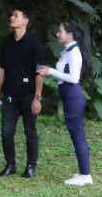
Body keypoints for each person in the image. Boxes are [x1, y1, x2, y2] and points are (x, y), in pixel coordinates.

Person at [37, 21, 94, 186]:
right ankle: (84, 172)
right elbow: (63, 74)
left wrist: (52, 71)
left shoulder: (74, 53)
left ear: (70, 34)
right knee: (76, 134)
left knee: (78, 135)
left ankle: (85, 175)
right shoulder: (67, 51)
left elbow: (74, 78)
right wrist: (48, 72)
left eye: (60, 31)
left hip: (73, 97)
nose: (57, 34)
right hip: (69, 97)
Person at [0, 9, 45, 178]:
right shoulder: (7, 42)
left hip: (28, 94)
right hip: (10, 94)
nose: (11, 18)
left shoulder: (35, 43)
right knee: (6, 131)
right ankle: (10, 164)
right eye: (11, 15)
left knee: (30, 131)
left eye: (16, 16)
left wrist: (37, 97)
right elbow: (2, 68)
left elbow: (39, 72)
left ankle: (30, 166)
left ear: (25, 21)